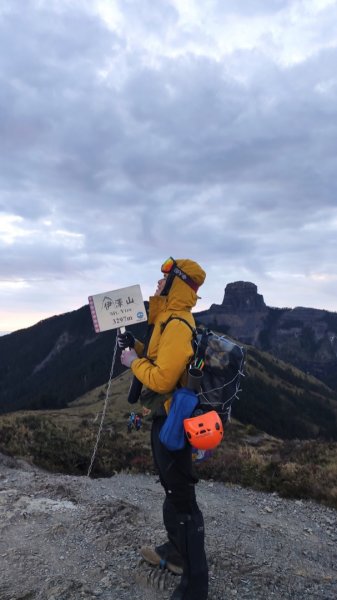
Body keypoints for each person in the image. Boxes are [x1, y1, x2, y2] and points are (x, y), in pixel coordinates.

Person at [118, 257, 208, 600]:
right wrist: (135, 347)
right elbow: (158, 360)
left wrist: (132, 362)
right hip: (164, 416)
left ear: (177, 283)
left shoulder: (177, 324)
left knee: (183, 500)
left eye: (164, 278)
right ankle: (174, 553)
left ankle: (196, 586)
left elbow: (161, 377)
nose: (158, 284)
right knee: (173, 491)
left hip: (173, 421)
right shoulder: (166, 320)